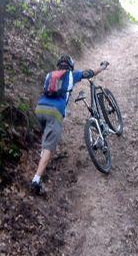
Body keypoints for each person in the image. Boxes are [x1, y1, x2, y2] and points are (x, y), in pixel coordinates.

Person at [31, 54, 109, 194]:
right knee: (49, 146)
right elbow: (90, 72)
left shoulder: (49, 75)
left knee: (46, 137)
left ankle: (43, 157)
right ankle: (36, 180)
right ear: (70, 66)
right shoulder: (72, 75)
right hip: (54, 113)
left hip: (39, 109)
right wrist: (102, 67)